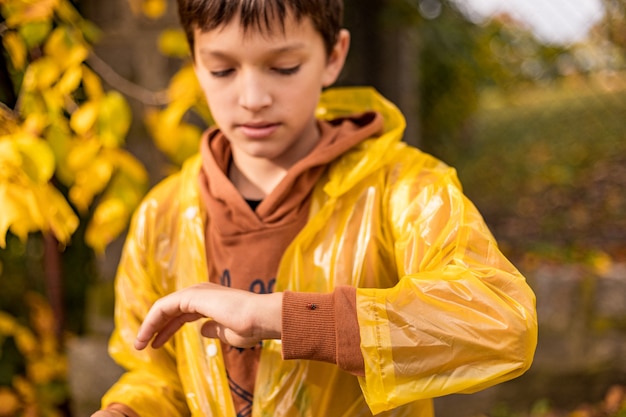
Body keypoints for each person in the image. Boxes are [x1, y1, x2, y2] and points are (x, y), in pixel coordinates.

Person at [92, 0, 537, 416]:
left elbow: (499, 321)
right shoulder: (164, 214)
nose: (252, 97)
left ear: (334, 56)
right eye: (223, 69)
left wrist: (277, 317)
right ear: (194, 62)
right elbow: (156, 371)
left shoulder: (403, 189)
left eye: (283, 67)